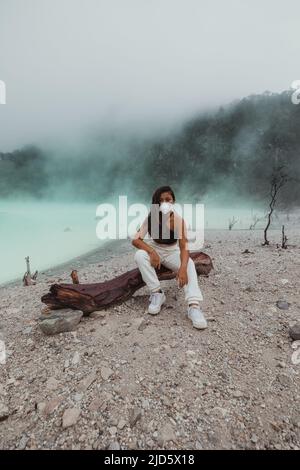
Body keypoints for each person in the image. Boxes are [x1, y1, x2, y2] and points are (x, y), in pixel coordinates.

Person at [132, 185, 207, 329]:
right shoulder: (151, 217)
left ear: (173, 201)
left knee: (190, 264)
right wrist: (152, 252)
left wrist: (183, 268)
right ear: (156, 203)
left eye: (168, 199)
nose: (165, 203)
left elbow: (184, 247)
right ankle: (157, 293)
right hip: (155, 247)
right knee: (140, 255)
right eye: (161, 200)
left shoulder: (178, 221)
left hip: (172, 251)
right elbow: (136, 240)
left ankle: (194, 306)